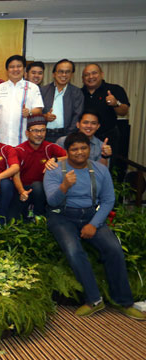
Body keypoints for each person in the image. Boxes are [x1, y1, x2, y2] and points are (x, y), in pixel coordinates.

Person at [44, 132, 145, 320]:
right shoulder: (55, 170)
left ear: (90, 149)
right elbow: (52, 201)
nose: (80, 152)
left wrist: (93, 224)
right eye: (74, 149)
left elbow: (108, 200)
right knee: (74, 251)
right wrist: (64, 186)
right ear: (67, 151)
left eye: (83, 148)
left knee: (114, 249)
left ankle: (124, 301)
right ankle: (94, 300)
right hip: (62, 216)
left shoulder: (100, 169)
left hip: (92, 215)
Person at [81, 63, 131, 178]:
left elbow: (124, 111)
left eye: (94, 73)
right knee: (84, 172)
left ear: (102, 74)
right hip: (84, 139)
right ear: (83, 79)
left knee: (105, 172)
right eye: (86, 75)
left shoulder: (114, 89)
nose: (91, 77)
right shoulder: (79, 93)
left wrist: (115, 103)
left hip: (108, 138)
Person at [12, 116, 66, 219]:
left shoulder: (49, 147)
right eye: (35, 131)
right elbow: (15, 174)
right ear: (27, 133)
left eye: (42, 130)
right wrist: (21, 191)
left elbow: (70, 157)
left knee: (38, 186)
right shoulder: (19, 150)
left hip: (44, 190)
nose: (39, 134)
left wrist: (56, 159)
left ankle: (39, 216)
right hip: (23, 189)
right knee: (14, 218)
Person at [0, 55, 44, 146]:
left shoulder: (33, 87)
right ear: (7, 70)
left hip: (24, 141)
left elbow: (39, 109)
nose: (15, 69)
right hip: (1, 140)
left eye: (19, 66)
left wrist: (30, 112)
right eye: (12, 67)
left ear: (24, 69)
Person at [41, 59, 84, 143]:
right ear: (54, 74)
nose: (64, 75)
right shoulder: (43, 90)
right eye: (60, 71)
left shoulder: (77, 92)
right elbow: (36, 112)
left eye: (67, 72)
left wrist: (68, 136)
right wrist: (45, 116)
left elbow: (77, 116)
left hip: (65, 136)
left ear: (72, 75)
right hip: (43, 135)